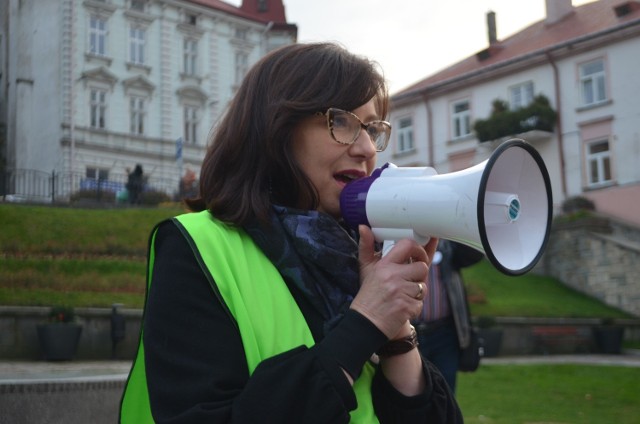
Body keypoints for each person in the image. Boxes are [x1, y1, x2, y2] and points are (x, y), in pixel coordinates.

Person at [120, 42, 462, 423]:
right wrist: (364, 323)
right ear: (277, 128)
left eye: (372, 129)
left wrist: (397, 334)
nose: (367, 148)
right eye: (343, 122)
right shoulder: (196, 247)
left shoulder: (358, 253)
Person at [412, 239, 484, 393]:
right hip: (411, 334)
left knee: (446, 390)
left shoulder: (446, 246)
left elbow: (475, 253)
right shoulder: (400, 242)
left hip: (444, 333)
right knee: (413, 390)